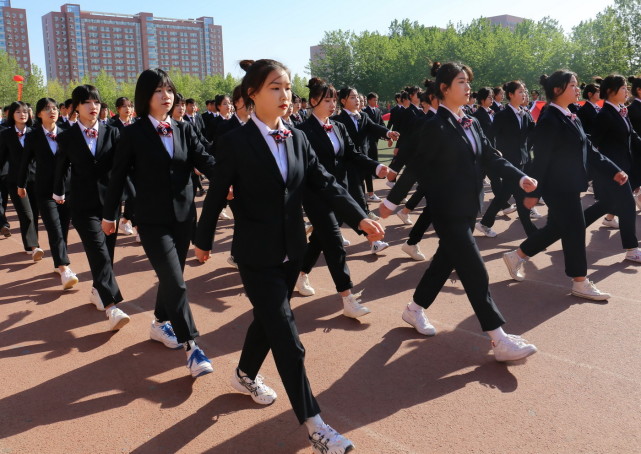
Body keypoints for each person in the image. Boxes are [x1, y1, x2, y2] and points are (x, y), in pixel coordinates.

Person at [195, 59, 385, 454]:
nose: (285, 96)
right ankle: (316, 427)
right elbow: (215, 195)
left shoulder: (298, 137)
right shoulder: (234, 141)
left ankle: (245, 373)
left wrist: (360, 217)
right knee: (289, 338)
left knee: (268, 320)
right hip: (255, 255)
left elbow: (325, 183)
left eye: (287, 88)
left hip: (292, 251)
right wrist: (204, 240)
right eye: (275, 88)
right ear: (252, 94)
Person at [379, 61, 539, 362]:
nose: (468, 88)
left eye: (468, 82)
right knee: (474, 271)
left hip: (470, 207)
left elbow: (490, 157)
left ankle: (414, 310)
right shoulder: (433, 125)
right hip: (446, 209)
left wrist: (519, 176)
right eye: (461, 82)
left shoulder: (471, 121)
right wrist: (391, 203)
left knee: (444, 261)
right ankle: (498, 338)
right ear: (444, 88)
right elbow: (416, 166)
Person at [102, 69, 217, 378]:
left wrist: (229, 179)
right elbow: (117, 176)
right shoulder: (133, 132)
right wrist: (110, 213)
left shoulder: (183, 128)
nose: (166, 96)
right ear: (145, 97)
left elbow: (204, 159)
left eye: (169, 90)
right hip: (151, 220)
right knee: (176, 281)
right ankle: (192, 347)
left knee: (172, 276)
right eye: (158, 91)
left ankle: (157, 324)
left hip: (183, 217)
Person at [502, 71, 630, 300]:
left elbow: (590, 150)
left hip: (569, 183)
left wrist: (614, 170)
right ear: (558, 90)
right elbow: (540, 159)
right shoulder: (550, 119)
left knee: (560, 227)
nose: (577, 88)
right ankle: (579, 281)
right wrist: (534, 193)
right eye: (572, 85)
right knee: (575, 229)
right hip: (556, 186)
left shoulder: (571, 115)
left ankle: (518, 255)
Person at [296, 76, 386, 317]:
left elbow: (353, 155)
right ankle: (348, 298)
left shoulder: (338, 126)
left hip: (338, 192)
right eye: (327, 100)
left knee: (319, 239)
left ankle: (301, 273)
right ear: (313, 101)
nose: (332, 104)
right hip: (316, 195)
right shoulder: (301, 132)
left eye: (334, 100)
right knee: (335, 244)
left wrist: (377, 167)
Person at [53, 85, 130, 330]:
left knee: (107, 252)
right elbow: (61, 166)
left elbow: (121, 168)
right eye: (86, 102)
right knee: (98, 251)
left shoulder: (113, 133)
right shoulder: (66, 136)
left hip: (110, 204)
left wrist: (129, 197)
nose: (93, 107)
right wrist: (58, 190)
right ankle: (112, 307)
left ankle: (98, 289)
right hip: (83, 204)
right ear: (76, 107)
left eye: (96, 102)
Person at [17, 98, 78, 290]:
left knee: (64, 226)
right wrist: (21, 184)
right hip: (44, 190)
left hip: (66, 188)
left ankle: (59, 260)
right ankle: (64, 268)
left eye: (54, 108)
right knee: (54, 227)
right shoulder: (33, 136)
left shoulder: (67, 133)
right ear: (39, 114)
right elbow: (25, 162)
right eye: (46, 109)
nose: (51, 111)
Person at [476, 80, 538, 238]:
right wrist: (494, 155)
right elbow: (489, 136)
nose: (524, 94)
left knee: (504, 194)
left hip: (522, 160)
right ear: (511, 95)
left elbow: (532, 134)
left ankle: (484, 223)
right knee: (520, 195)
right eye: (520, 92)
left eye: (524, 91)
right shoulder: (502, 115)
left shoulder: (525, 113)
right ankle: (532, 232)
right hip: (508, 163)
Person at [0, 101, 43, 261]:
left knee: (34, 213)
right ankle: (34, 247)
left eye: (25, 111)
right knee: (27, 214)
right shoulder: (5, 134)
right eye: (18, 112)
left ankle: (30, 244)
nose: (22, 114)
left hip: (35, 179)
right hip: (15, 181)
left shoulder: (35, 132)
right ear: (12, 115)